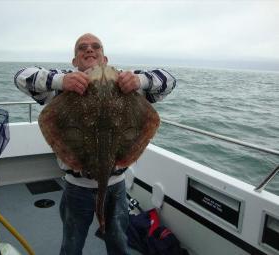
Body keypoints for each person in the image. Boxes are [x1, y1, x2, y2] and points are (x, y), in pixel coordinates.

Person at [14, 33, 176, 255]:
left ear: (105, 58)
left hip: (116, 185)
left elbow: (168, 80)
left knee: (119, 243)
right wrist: (62, 81)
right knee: (71, 245)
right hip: (76, 186)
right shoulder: (63, 86)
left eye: (95, 47)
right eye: (82, 48)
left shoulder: (127, 83)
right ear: (75, 62)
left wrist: (140, 80)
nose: (89, 49)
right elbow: (21, 77)